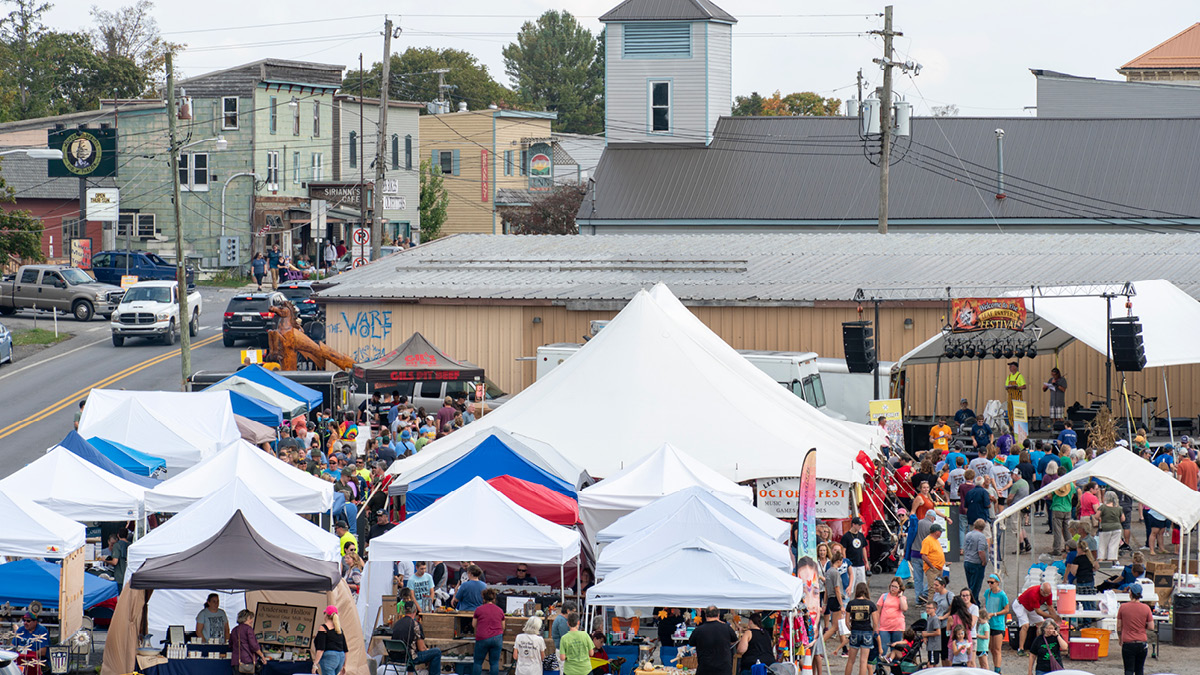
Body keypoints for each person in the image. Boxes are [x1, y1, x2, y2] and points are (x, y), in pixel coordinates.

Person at [393, 595, 443, 675]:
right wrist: (427, 649)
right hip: (410, 658)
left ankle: (410, 673)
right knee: (436, 652)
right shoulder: (415, 625)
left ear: (404, 610)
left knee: (410, 649)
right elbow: (421, 648)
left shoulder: (396, 624)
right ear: (415, 611)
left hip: (395, 657)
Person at [1116, 582, 1154, 675]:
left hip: (1128, 642)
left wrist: (1120, 639)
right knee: (1139, 670)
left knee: (1128, 670)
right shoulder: (1146, 608)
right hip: (1142, 643)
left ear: (1130, 593)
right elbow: (1151, 627)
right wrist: (1142, 625)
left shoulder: (1123, 607)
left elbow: (1119, 627)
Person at [1012, 583, 1060, 655]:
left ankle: (1038, 645)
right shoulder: (1034, 593)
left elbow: (1050, 607)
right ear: (1041, 590)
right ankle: (1021, 648)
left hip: (1031, 607)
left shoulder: (1048, 594)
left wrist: (1055, 617)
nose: (1046, 595)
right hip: (1020, 605)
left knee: (1042, 624)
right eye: (1045, 594)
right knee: (1025, 625)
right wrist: (1051, 617)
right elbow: (1038, 611)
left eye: (1048, 593)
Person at [843, 583, 880, 675]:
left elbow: (846, 622)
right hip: (867, 632)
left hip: (855, 631)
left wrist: (851, 629)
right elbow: (875, 622)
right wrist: (874, 632)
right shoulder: (870, 604)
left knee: (851, 661)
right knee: (863, 661)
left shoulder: (851, 603)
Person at [688, 607, 736, 675]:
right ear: (718, 615)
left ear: (705, 615)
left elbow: (691, 643)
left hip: (705, 668)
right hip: (723, 669)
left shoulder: (699, 630)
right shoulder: (727, 628)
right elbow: (734, 640)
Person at [472, 588, 505, 675]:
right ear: (494, 599)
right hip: (497, 638)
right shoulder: (500, 610)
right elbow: (503, 626)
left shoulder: (479, 609)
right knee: (494, 663)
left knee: (478, 662)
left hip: (482, 637)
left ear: (483, 598)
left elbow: (473, 624)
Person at [981, 574, 1009, 672]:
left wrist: (995, 614)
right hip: (988, 623)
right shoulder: (987, 592)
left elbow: (1006, 609)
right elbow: (986, 604)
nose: (990, 584)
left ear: (997, 583)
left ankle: (997, 669)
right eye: (988, 582)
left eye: (992, 582)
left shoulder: (1002, 595)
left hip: (998, 624)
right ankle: (995, 668)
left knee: (997, 649)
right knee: (991, 649)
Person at [312, 605, 347, 675]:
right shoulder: (339, 630)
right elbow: (345, 649)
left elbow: (321, 649)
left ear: (326, 615)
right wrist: (344, 665)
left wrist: (315, 664)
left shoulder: (323, 628)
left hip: (330, 657)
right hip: (341, 658)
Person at [231, 609, 267, 674]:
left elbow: (230, 645)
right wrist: (262, 656)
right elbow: (254, 646)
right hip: (247, 661)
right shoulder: (248, 629)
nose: (252, 621)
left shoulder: (234, 630)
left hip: (236, 661)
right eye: (250, 618)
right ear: (245, 618)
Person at [963, 519, 990, 600]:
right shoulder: (981, 537)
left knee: (970, 584)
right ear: (983, 527)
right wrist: (984, 561)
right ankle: (973, 603)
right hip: (976, 563)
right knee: (975, 586)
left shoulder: (968, 534)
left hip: (967, 561)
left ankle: (971, 601)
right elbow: (981, 551)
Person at [876, 577, 908, 648]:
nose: (893, 588)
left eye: (895, 587)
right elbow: (877, 612)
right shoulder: (884, 596)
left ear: (900, 588)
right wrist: (876, 625)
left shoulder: (902, 598)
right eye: (892, 586)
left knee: (896, 648)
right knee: (883, 647)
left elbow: (904, 608)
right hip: (884, 627)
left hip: (898, 627)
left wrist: (900, 596)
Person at [1096, 491, 1125, 563]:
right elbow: (1123, 519)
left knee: (1102, 544)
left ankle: (1101, 559)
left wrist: (1101, 519)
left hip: (1105, 528)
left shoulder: (1103, 507)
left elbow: (1096, 516)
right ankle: (1111, 560)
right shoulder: (1119, 508)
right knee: (1114, 545)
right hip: (1117, 528)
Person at [1050, 478, 1076, 556]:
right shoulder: (1071, 484)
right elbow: (1072, 495)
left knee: (1057, 531)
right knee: (1067, 530)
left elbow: (1050, 496)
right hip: (1068, 509)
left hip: (1057, 508)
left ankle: (1057, 549)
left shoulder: (1056, 483)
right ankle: (1069, 548)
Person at [840, 517, 868, 591]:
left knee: (862, 584)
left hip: (860, 563)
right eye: (858, 525)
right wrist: (845, 562)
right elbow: (843, 550)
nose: (860, 526)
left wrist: (866, 561)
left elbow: (863, 548)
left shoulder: (861, 535)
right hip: (851, 564)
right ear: (853, 524)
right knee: (850, 585)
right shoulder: (846, 536)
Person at [921, 523, 946, 596]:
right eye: (940, 532)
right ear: (937, 532)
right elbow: (924, 556)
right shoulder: (927, 540)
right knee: (933, 589)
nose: (941, 533)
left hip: (939, 568)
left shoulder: (935, 540)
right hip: (932, 569)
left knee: (939, 588)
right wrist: (932, 566)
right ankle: (931, 606)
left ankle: (937, 605)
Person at [921, 599, 942, 667]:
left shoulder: (935, 619)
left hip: (934, 645)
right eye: (927, 608)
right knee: (932, 663)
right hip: (930, 645)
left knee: (931, 664)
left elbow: (938, 632)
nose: (927, 609)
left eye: (929, 608)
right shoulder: (929, 617)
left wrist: (926, 634)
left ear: (935, 609)